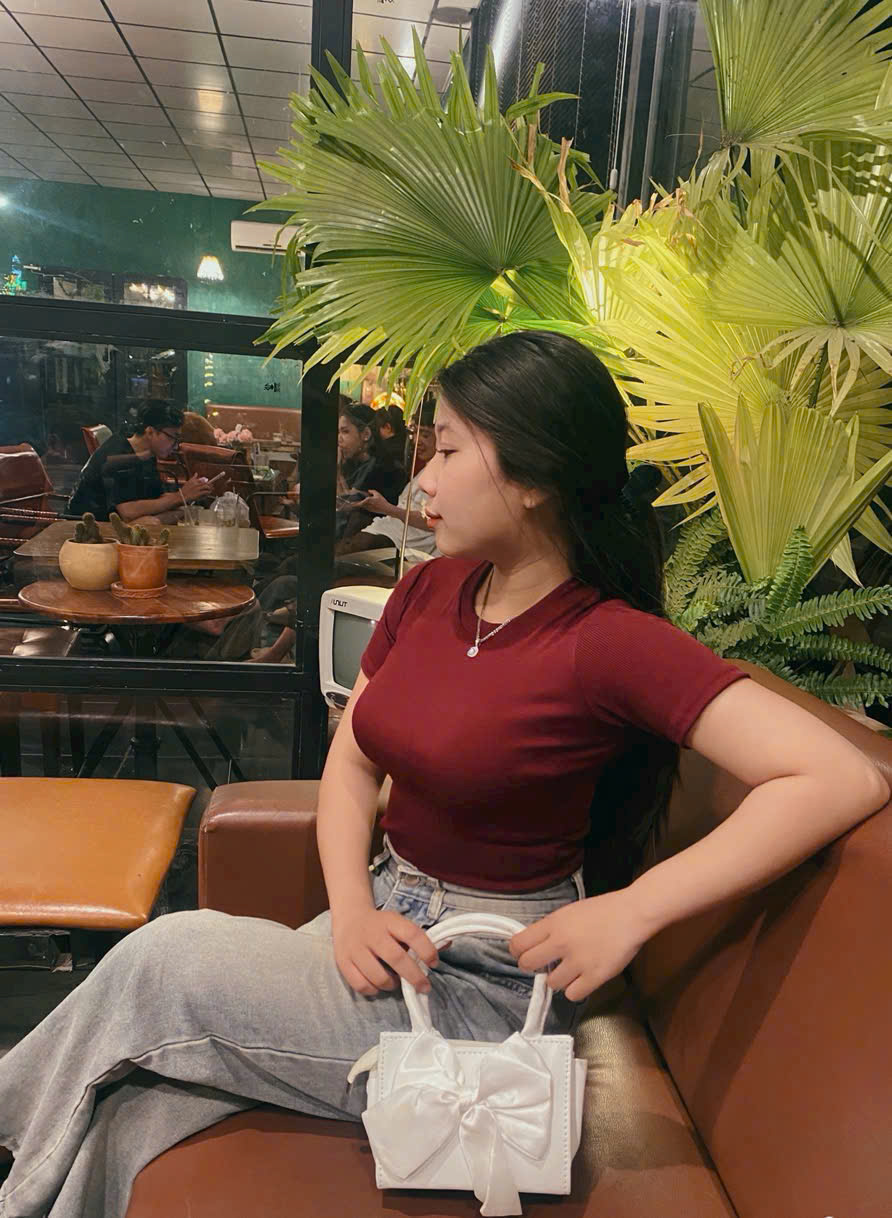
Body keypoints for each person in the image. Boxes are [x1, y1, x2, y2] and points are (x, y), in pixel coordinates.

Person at [1, 332, 888, 1218]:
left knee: (165, 962)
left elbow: (839, 776)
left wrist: (633, 910)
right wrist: (352, 907)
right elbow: (353, 760)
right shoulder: (431, 591)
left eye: (451, 450)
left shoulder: (610, 641)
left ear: (534, 477)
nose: (422, 478)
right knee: (142, 1096)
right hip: (388, 922)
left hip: (486, 985)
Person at [67, 400, 211, 523]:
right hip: (90, 527)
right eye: (173, 437)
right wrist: (181, 496)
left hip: (116, 522)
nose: (176, 446)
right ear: (150, 432)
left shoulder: (146, 454)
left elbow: (156, 498)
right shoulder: (118, 457)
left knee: (184, 513)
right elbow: (128, 512)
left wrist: (189, 495)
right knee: (151, 522)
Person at [338, 398, 440, 559]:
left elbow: (434, 521)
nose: (417, 441)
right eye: (415, 433)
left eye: (425, 435)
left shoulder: (386, 466)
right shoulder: (424, 470)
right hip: (385, 531)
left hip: (401, 546)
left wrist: (386, 508)